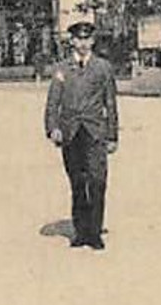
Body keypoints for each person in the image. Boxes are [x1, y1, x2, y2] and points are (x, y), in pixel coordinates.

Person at [45, 21, 119, 250]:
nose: (83, 43)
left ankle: (95, 233)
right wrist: (52, 127)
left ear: (93, 41)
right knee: (77, 182)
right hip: (71, 133)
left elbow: (110, 103)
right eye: (79, 39)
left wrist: (112, 135)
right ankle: (80, 232)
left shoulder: (103, 68)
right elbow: (52, 102)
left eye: (87, 39)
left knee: (97, 181)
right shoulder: (62, 69)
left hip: (95, 132)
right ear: (72, 42)